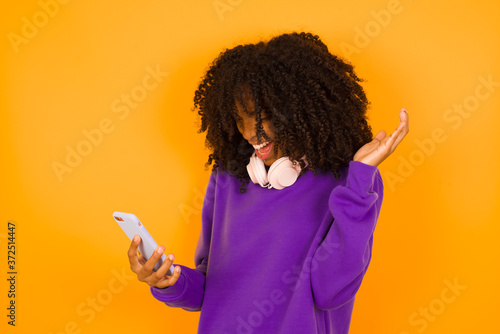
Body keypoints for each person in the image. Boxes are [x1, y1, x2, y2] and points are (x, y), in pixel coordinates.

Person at [127, 31, 409, 333]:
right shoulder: (228, 175)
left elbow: (331, 292)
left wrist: (361, 176)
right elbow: (212, 289)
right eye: (240, 119)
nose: (250, 133)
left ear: (299, 110)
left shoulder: (349, 183)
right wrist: (169, 281)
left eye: (261, 117)